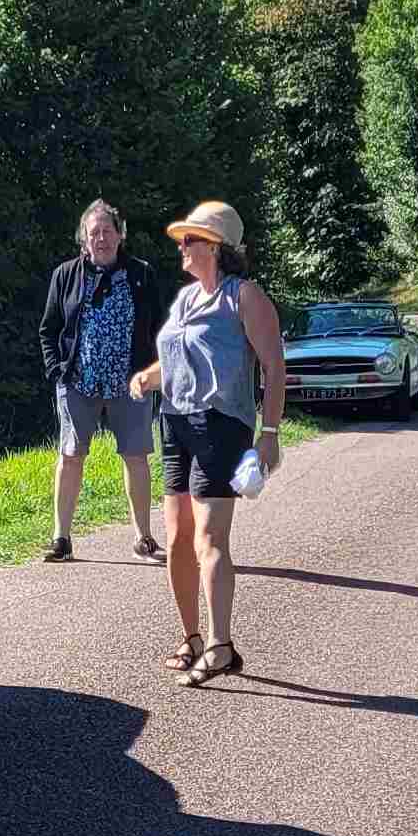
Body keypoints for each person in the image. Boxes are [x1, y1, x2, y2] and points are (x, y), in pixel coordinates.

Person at [129, 200, 287, 685]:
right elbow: (178, 359)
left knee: (210, 538)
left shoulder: (244, 296)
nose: (182, 245)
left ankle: (221, 646)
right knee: (178, 538)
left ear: (216, 247)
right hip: (174, 422)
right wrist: (149, 377)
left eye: (191, 239)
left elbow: (274, 365)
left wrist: (270, 435)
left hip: (221, 424)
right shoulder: (184, 299)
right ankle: (192, 637)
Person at [33, 200, 168, 562]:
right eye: (94, 232)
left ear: (120, 235)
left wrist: (153, 372)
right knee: (70, 456)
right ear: (84, 239)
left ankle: (144, 537)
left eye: (108, 231)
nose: (102, 238)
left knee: (136, 456)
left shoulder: (141, 274)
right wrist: (57, 371)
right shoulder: (66, 275)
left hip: (131, 382)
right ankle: (61, 538)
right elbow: (49, 329)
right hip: (78, 382)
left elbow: (159, 327)